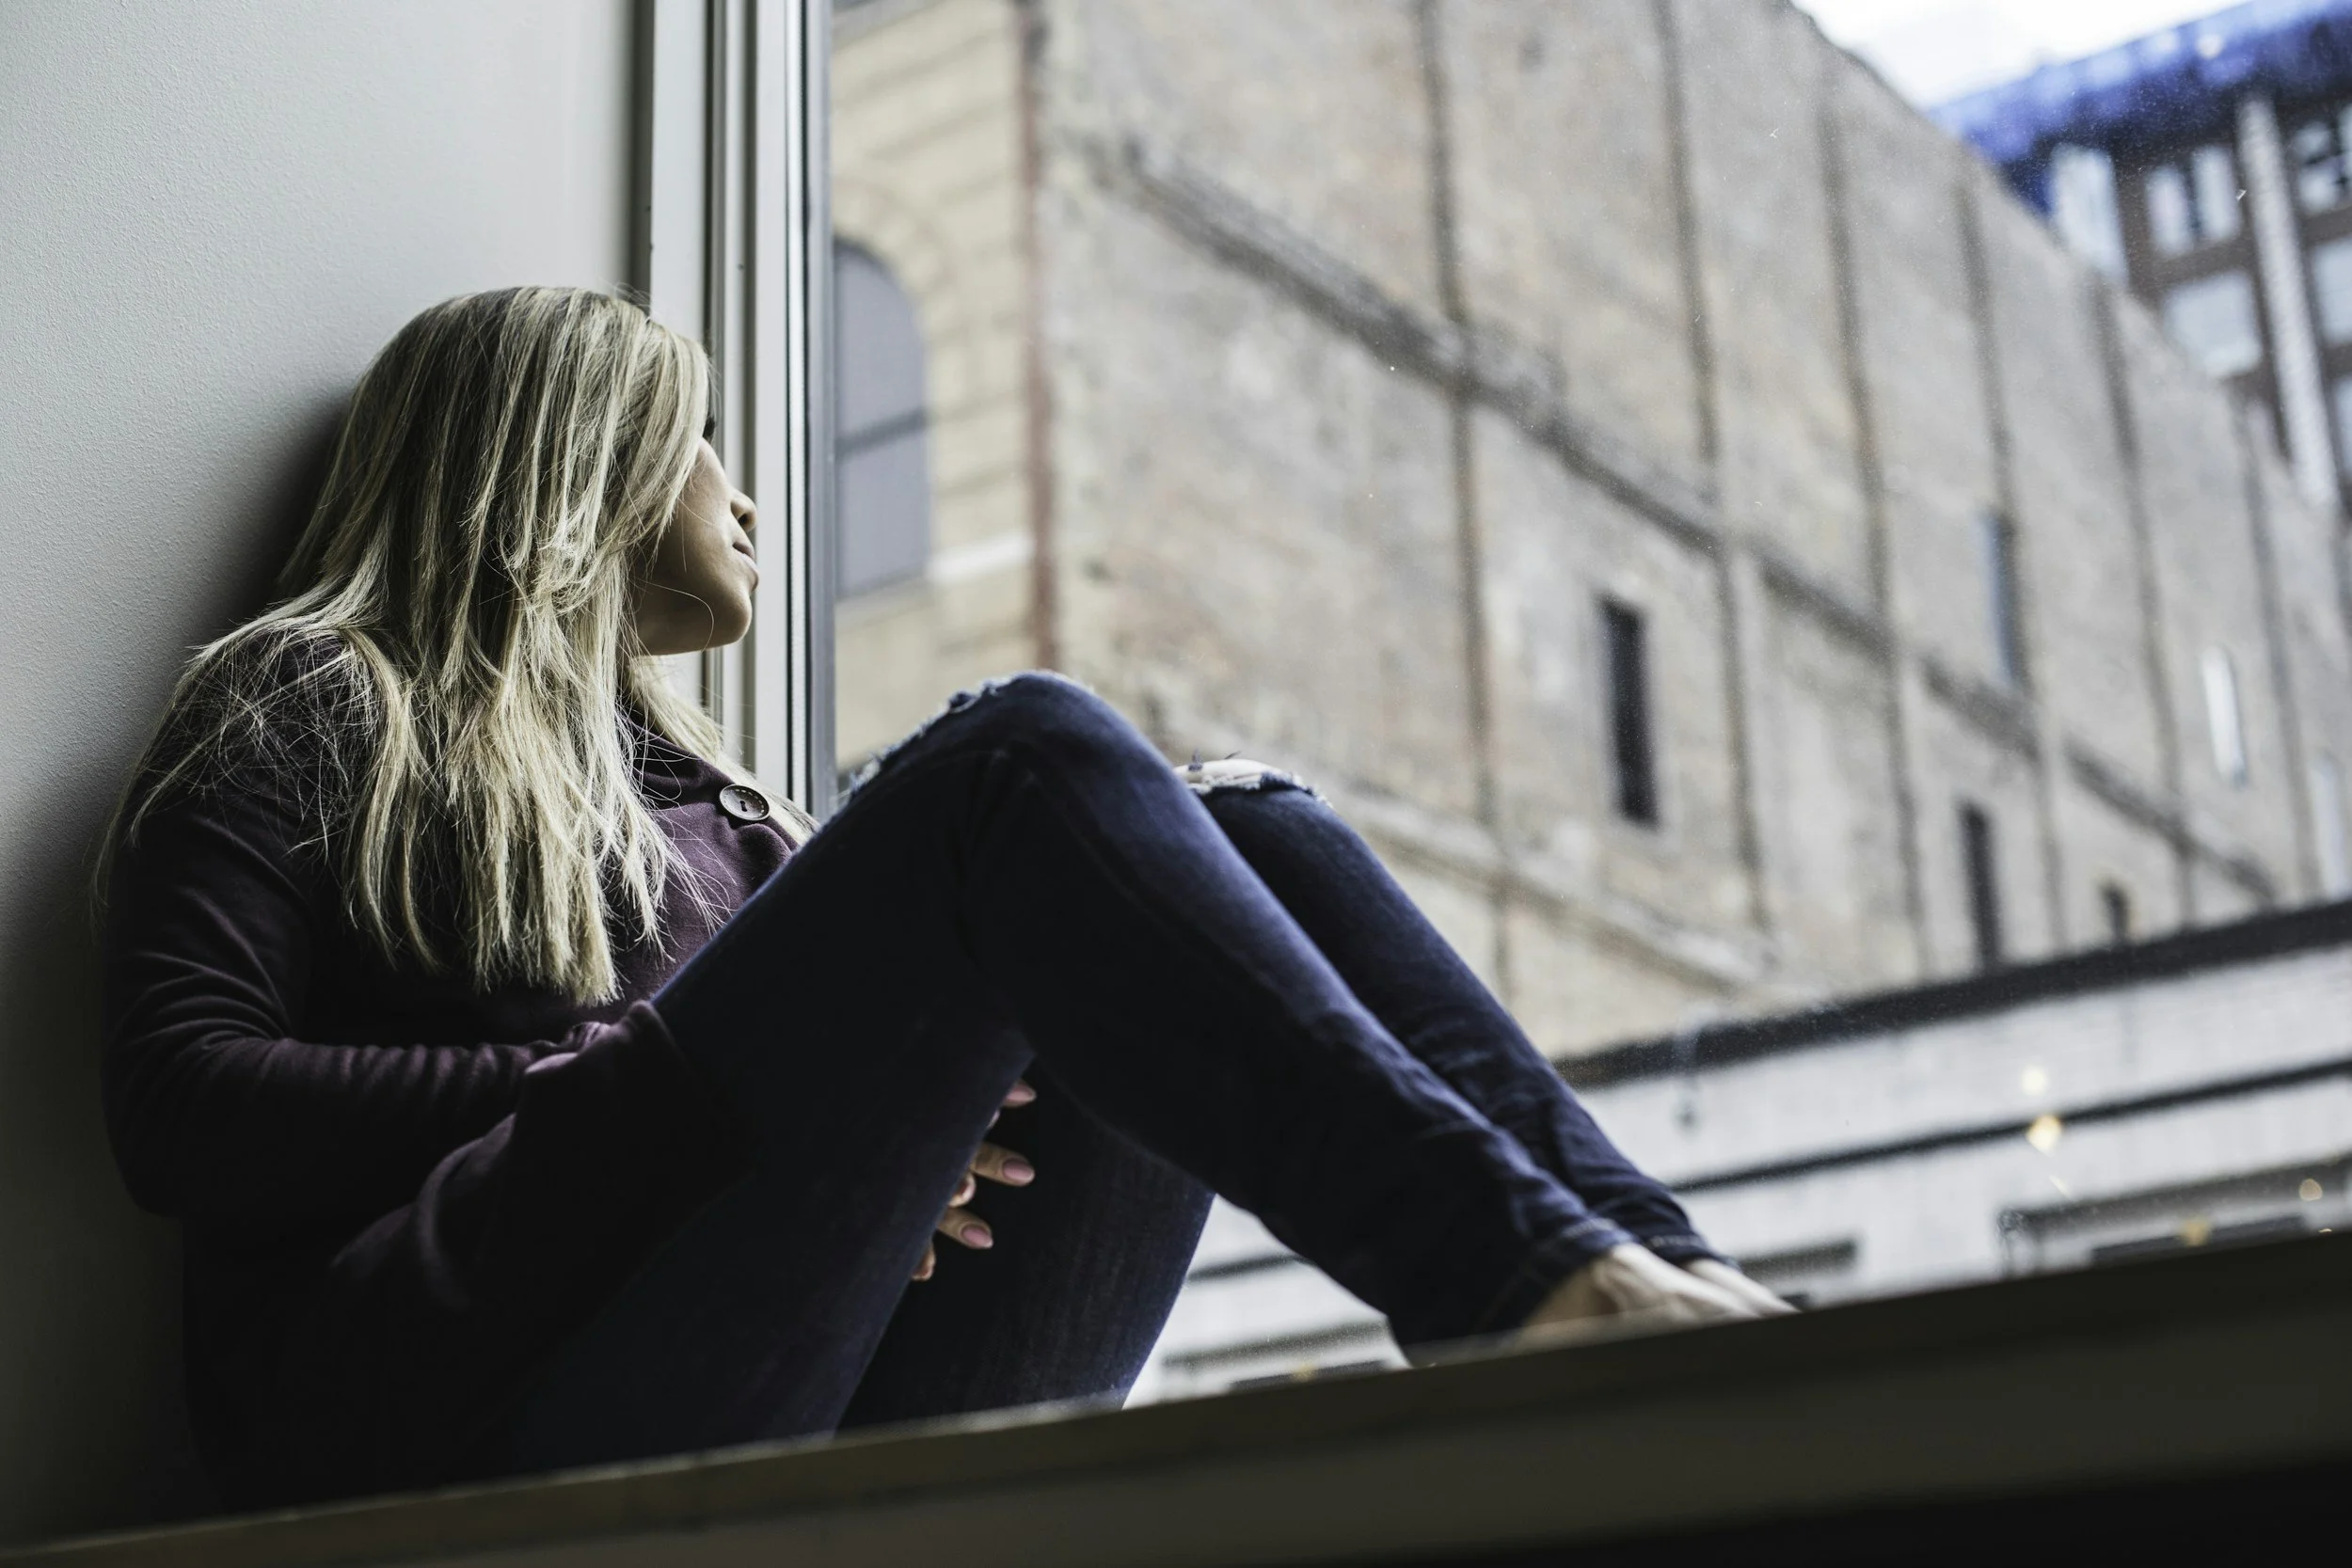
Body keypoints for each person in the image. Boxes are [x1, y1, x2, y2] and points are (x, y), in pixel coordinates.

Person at [98, 286, 1787, 1511]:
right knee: (1019, 749)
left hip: (797, 1386)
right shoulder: (316, 700)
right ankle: (1519, 1292)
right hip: (443, 1411)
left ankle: (1660, 1287)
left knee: (1252, 819)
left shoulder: (726, 815)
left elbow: (777, 1127)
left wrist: (872, 1134)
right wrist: (651, 1086)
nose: (744, 492)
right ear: (571, 457)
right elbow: (183, 1108)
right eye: (698, 440)